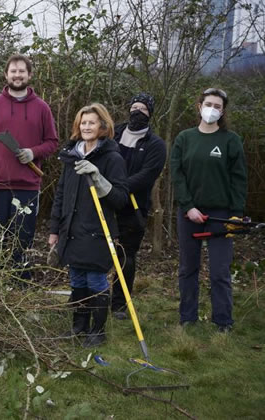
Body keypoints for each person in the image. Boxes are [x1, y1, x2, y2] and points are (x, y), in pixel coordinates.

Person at [48, 103, 128, 348]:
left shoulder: (112, 158)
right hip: (71, 230)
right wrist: (54, 230)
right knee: (77, 281)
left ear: (103, 126)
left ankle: (97, 331)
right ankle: (78, 326)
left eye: (91, 122)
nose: (86, 126)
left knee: (95, 281)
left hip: (97, 231)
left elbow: (121, 199)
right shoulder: (71, 156)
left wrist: (98, 177)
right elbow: (61, 194)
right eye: (83, 122)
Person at [0, 54, 58, 282]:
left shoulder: (42, 108)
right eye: (13, 71)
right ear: (6, 74)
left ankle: (20, 285)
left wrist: (33, 152)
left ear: (29, 75)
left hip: (27, 188)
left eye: (22, 71)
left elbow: (52, 142)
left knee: (22, 239)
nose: (17, 75)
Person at [170, 88, 247, 332]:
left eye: (217, 106)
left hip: (221, 215)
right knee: (188, 268)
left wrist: (236, 213)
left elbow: (239, 179)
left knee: (220, 271)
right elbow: (177, 174)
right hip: (189, 214)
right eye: (208, 104)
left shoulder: (230, 140)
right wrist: (188, 206)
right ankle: (187, 318)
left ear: (223, 111)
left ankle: (223, 321)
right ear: (199, 105)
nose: (212, 109)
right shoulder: (184, 138)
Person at [111, 93, 167, 319]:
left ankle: (118, 304)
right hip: (104, 201)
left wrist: (119, 187)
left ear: (150, 114)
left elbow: (147, 175)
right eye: (134, 107)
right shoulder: (113, 133)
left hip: (133, 206)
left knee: (126, 255)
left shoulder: (155, 144)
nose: (137, 112)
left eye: (143, 109)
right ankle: (89, 297)